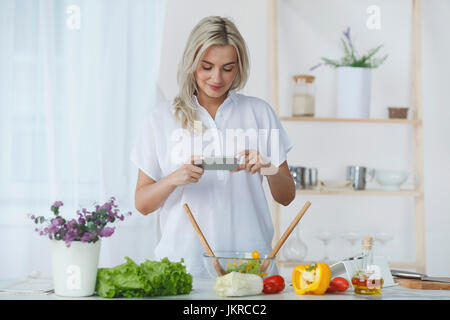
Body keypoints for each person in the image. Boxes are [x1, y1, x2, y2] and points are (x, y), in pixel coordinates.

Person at [130, 16, 295, 277]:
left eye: (228, 68)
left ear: (239, 68)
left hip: (251, 266)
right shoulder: (160, 118)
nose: (217, 78)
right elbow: (142, 204)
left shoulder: (259, 112)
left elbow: (286, 197)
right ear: (191, 64)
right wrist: (175, 178)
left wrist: (269, 169)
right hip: (182, 269)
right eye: (207, 67)